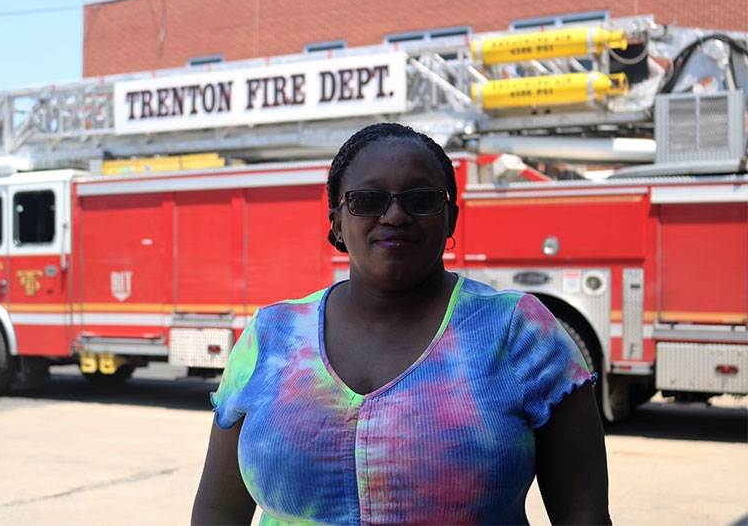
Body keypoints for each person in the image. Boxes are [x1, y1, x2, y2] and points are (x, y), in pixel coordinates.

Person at [192, 122, 611, 525]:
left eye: (421, 198)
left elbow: (582, 515)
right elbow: (218, 512)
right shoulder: (271, 337)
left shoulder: (520, 334)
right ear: (337, 221)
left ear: (450, 218)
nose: (395, 215)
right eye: (368, 200)